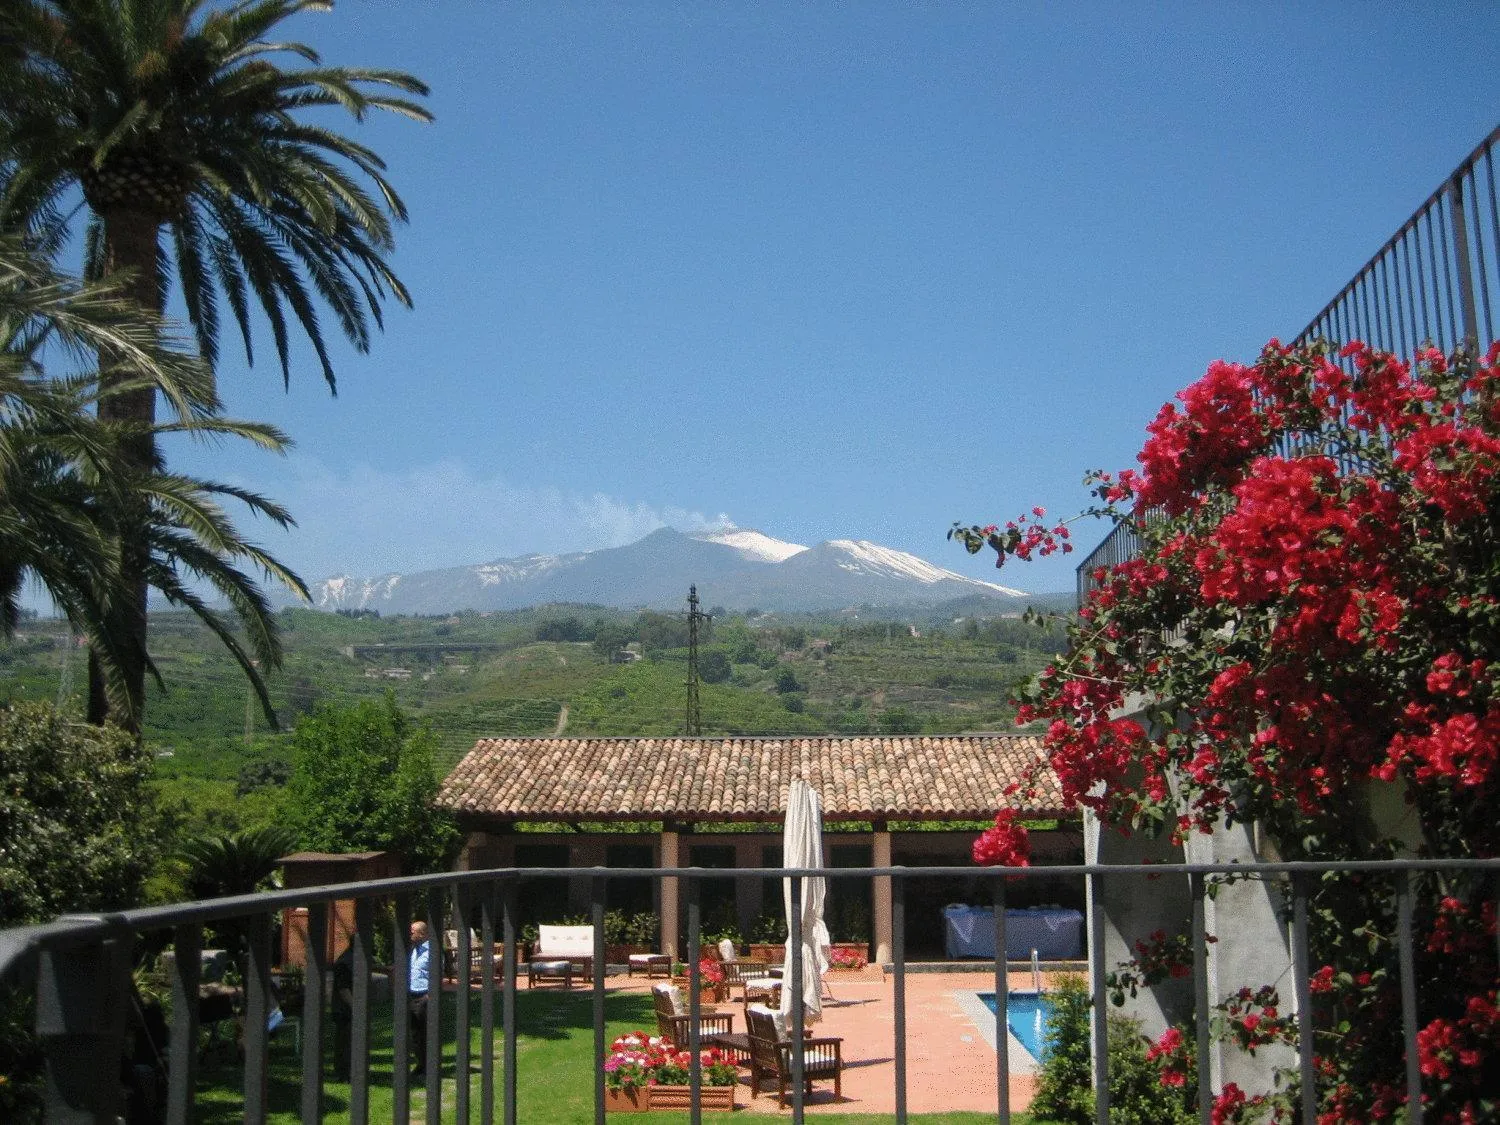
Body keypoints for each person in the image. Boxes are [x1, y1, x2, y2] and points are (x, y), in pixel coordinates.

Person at [408, 920, 431, 1080]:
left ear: (421, 934)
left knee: (425, 1033)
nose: (410, 934)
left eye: (412, 932)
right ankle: (421, 1064)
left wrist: (429, 996)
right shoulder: (412, 950)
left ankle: (428, 1067)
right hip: (412, 995)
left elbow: (438, 973)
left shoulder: (432, 952)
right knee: (415, 1034)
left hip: (424, 996)